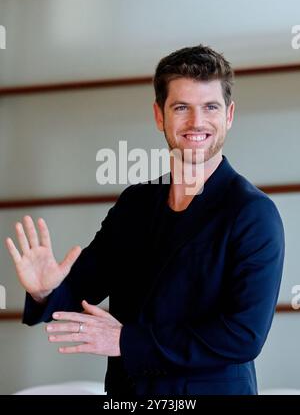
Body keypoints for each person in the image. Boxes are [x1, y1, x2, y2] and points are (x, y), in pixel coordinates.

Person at [5, 45, 284, 396]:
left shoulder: (252, 213)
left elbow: (243, 335)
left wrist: (126, 341)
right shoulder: (135, 204)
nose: (197, 122)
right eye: (181, 107)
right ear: (159, 115)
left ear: (229, 115)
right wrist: (45, 291)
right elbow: (82, 290)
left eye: (210, 107)